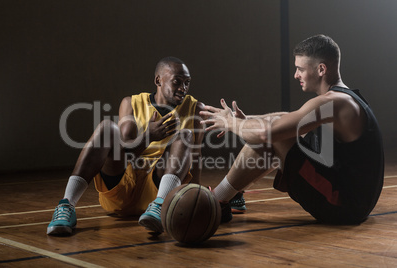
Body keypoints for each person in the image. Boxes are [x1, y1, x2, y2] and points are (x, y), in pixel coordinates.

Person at [201, 35, 384, 225]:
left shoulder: (334, 103)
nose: (296, 75)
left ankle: (215, 201)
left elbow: (268, 132)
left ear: (321, 69)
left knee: (275, 136)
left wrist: (230, 124)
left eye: (300, 69)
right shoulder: (342, 98)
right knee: (279, 130)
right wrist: (248, 121)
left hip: (344, 205)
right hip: (351, 200)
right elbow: (285, 118)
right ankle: (223, 198)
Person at [47, 57, 206, 235]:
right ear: (158, 80)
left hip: (159, 189)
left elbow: (196, 156)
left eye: (187, 83)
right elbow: (124, 153)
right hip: (122, 189)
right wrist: (149, 136)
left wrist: (199, 198)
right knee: (107, 128)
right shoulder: (131, 103)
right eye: (177, 81)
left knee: (185, 136)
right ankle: (66, 205)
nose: (183, 88)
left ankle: (159, 206)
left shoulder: (195, 108)